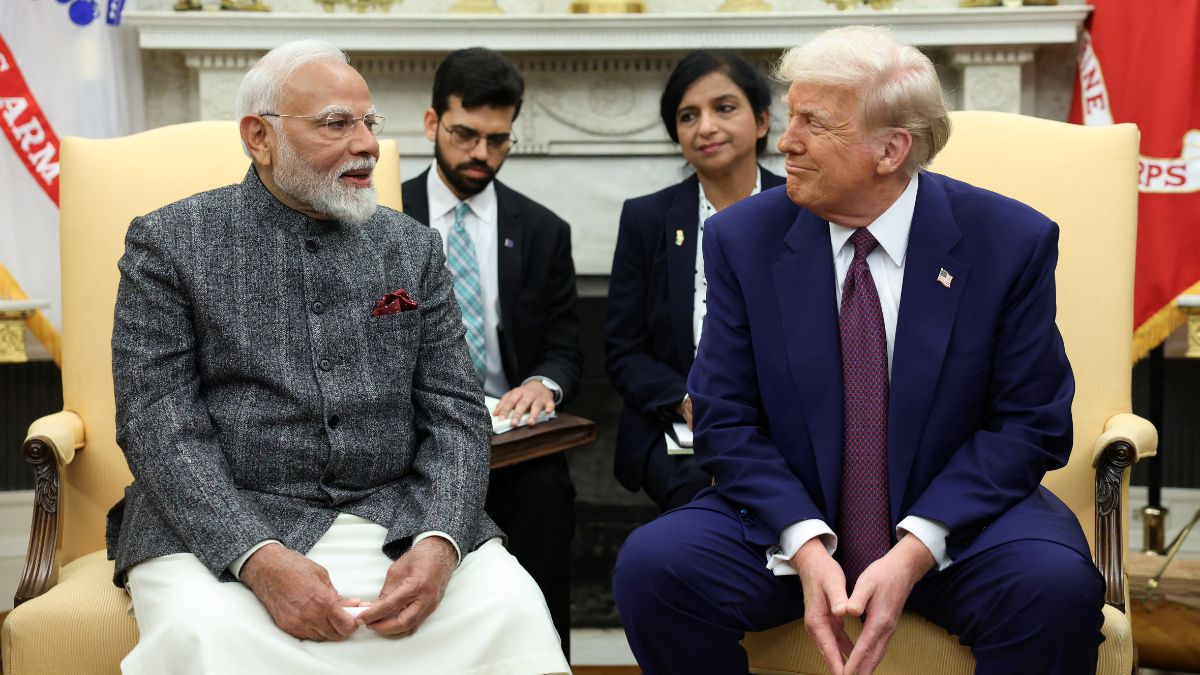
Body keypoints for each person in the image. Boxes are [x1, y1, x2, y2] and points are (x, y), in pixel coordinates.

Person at [613, 26, 1105, 675]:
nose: (785, 142)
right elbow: (724, 418)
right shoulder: (742, 239)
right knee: (653, 568)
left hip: (959, 527)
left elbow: (1030, 424)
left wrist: (917, 545)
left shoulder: (1008, 241)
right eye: (790, 117)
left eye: (813, 123)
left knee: (1056, 590)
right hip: (788, 521)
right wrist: (805, 542)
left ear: (890, 149)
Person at [106, 39, 569, 675]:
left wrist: (441, 541)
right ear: (260, 137)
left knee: (512, 607)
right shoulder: (169, 244)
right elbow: (156, 425)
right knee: (209, 634)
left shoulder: (412, 249)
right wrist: (256, 557)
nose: (367, 145)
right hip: (220, 525)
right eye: (335, 124)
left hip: (394, 515)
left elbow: (456, 414)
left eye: (369, 122)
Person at [400, 47, 581, 655]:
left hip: (511, 441)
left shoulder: (544, 230)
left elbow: (564, 344)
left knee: (548, 498)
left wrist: (543, 383)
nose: (481, 153)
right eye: (465, 135)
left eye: (498, 140)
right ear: (432, 123)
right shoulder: (383, 215)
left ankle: (545, 661)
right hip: (408, 441)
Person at [605, 50, 784, 512]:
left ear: (761, 121)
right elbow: (624, 350)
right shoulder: (647, 219)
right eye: (688, 116)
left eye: (724, 108)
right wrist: (685, 400)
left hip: (786, 421)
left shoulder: (801, 210)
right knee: (701, 496)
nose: (706, 127)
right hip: (681, 426)